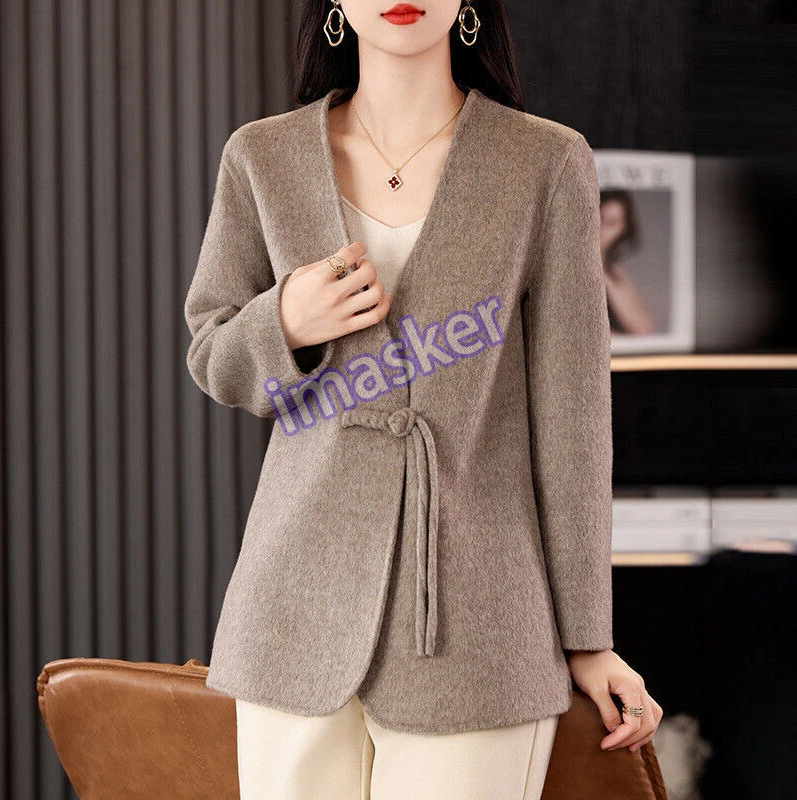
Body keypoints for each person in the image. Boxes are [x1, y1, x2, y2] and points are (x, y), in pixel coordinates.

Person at [184, 1, 664, 798]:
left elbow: (573, 423)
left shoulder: (545, 161)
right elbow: (215, 357)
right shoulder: (261, 156)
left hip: (479, 627)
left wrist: (587, 638)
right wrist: (286, 322)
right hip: (291, 617)